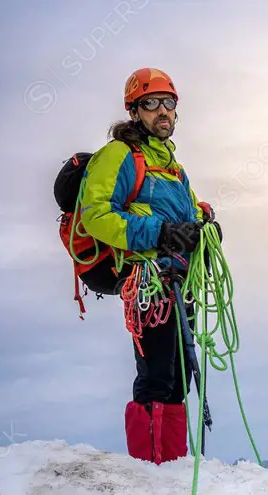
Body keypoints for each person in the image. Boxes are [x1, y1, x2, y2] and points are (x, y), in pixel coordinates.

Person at [78, 67, 214, 465]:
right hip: (146, 280)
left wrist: (204, 228)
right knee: (156, 374)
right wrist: (159, 234)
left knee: (179, 377)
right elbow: (95, 215)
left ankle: (170, 469)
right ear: (134, 111)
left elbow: (186, 215)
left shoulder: (173, 166)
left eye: (168, 103)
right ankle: (150, 472)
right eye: (151, 104)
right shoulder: (119, 155)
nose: (162, 112)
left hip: (177, 281)